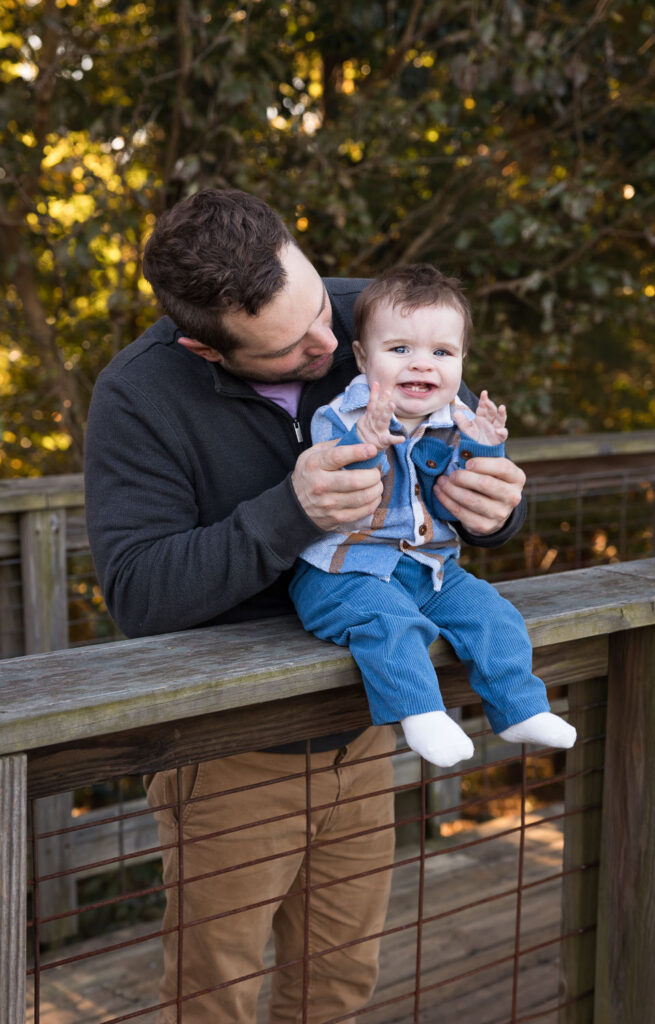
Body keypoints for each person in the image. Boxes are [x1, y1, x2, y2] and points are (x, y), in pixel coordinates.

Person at [84, 189, 528, 1023]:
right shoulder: (138, 398)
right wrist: (291, 514)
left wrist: (499, 508)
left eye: (322, 304)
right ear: (206, 350)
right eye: (291, 348)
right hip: (229, 751)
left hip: (365, 728)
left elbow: (460, 462)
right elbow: (140, 595)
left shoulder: (374, 316)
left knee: (336, 985)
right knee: (213, 999)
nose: (331, 346)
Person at [289, 264, 577, 768]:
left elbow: (451, 502)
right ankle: (420, 713)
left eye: (441, 353)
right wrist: (368, 442)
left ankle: (520, 709)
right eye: (400, 350)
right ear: (361, 357)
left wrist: (483, 448)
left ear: (463, 360)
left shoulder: (452, 420)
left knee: (495, 614)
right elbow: (343, 486)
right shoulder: (340, 416)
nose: (422, 364)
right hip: (343, 573)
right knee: (390, 621)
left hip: (427, 568)